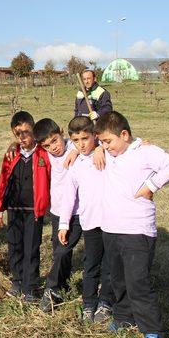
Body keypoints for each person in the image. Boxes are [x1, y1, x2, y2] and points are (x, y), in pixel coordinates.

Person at [95, 111, 169, 338]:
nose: (106, 147)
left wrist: (151, 186)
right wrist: (100, 148)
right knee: (118, 279)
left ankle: (153, 333)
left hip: (137, 230)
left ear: (124, 134)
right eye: (102, 142)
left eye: (108, 142)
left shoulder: (145, 151)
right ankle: (123, 317)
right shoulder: (110, 152)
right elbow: (77, 142)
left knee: (138, 283)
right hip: (111, 228)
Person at [57, 116, 113, 323]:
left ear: (94, 136)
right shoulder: (75, 164)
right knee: (91, 264)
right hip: (90, 222)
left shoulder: (107, 154)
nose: (81, 144)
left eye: (85, 138)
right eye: (76, 140)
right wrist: (63, 224)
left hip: (112, 221)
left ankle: (106, 301)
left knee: (109, 264)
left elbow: (126, 140)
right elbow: (69, 197)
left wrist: (99, 147)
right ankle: (89, 303)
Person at [0, 111, 50, 301]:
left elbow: (63, 143)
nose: (22, 137)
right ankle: (17, 280)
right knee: (15, 246)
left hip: (33, 210)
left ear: (34, 130)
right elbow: (3, 179)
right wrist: (0, 207)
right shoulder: (12, 154)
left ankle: (30, 286)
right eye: (18, 134)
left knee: (31, 247)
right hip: (14, 209)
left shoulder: (44, 153)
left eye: (26, 132)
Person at [33, 118, 84, 312]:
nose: (53, 148)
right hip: (57, 210)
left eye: (55, 141)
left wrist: (76, 149)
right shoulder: (44, 154)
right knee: (59, 252)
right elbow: (27, 146)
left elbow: (96, 138)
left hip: (77, 211)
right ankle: (62, 283)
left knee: (63, 249)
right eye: (47, 145)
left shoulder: (75, 146)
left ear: (61, 133)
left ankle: (52, 289)